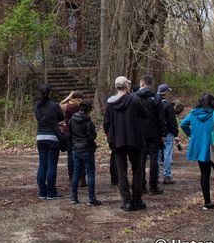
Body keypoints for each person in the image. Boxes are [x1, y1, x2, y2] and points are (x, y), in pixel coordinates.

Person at [103, 76, 148, 211]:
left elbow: (106, 124)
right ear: (127, 86)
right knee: (137, 170)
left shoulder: (109, 103)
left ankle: (127, 201)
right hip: (134, 139)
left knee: (121, 171)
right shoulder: (134, 100)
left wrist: (111, 136)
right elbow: (145, 115)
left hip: (118, 141)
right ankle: (137, 200)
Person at [181, 94, 214, 212]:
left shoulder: (193, 114)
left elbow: (183, 124)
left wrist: (191, 134)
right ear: (212, 102)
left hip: (200, 148)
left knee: (204, 174)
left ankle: (207, 202)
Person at [135, 75, 166, 195]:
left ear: (142, 84)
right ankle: (153, 186)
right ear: (151, 84)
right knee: (154, 159)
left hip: (139, 132)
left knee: (141, 159)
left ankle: (142, 185)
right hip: (154, 132)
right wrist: (163, 132)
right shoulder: (157, 98)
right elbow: (161, 117)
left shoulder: (134, 97)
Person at [34, 83, 64, 200]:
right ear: (50, 93)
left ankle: (42, 191)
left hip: (40, 137)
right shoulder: (55, 106)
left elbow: (37, 118)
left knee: (42, 164)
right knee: (51, 165)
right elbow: (61, 118)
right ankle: (51, 192)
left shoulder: (37, 106)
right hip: (52, 137)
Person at [69, 101, 101, 206]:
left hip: (76, 149)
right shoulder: (88, 122)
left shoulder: (72, 120)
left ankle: (74, 197)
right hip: (87, 149)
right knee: (90, 173)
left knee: (76, 172)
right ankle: (91, 199)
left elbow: (69, 133)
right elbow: (92, 136)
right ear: (88, 110)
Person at [157, 84, 181, 184]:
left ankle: (156, 175)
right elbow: (172, 121)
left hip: (155, 132)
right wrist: (175, 133)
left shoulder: (153, 102)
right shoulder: (167, 104)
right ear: (165, 92)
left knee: (157, 155)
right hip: (167, 133)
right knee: (167, 154)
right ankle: (167, 176)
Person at [61, 91, 85, 186]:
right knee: (82, 155)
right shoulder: (83, 105)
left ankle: (72, 177)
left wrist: (68, 97)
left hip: (68, 132)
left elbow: (59, 105)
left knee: (70, 156)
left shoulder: (67, 106)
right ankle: (82, 177)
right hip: (81, 132)